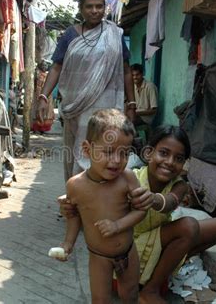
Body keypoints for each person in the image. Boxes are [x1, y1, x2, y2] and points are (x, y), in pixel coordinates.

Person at [59, 125, 216, 304]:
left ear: (184, 164)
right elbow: (95, 193)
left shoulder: (180, 185)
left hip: (158, 236)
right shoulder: (131, 178)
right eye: (164, 153)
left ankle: (176, 257)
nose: (169, 162)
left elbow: (170, 203)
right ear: (149, 153)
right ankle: (150, 290)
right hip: (130, 246)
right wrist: (71, 206)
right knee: (189, 226)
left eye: (178, 158)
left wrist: (152, 199)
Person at [36, 0, 136, 181]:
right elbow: (56, 67)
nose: (94, 11)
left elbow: (125, 70)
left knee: (107, 149)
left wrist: (131, 103)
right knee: (79, 150)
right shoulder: (70, 35)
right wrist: (42, 96)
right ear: (81, 8)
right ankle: (78, 199)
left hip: (108, 109)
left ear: (105, 8)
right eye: (89, 6)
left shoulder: (114, 34)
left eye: (99, 6)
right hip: (77, 107)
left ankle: (106, 199)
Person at [51, 109, 146, 303]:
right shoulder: (75, 185)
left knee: (130, 296)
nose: (116, 161)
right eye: (108, 152)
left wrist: (118, 226)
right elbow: (74, 216)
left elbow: (141, 210)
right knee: (100, 300)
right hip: (98, 257)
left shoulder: (127, 178)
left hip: (128, 253)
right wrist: (68, 244)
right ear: (87, 149)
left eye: (124, 153)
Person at [130, 63, 158, 127]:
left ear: (142, 74)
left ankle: (134, 136)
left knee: (127, 123)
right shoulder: (132, 87)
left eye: (137, 75)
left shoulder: (150, 87)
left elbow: (154, 110)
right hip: (135, 115)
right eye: (133, 75)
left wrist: (137, 113)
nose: (135, 77)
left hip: (146, 118)